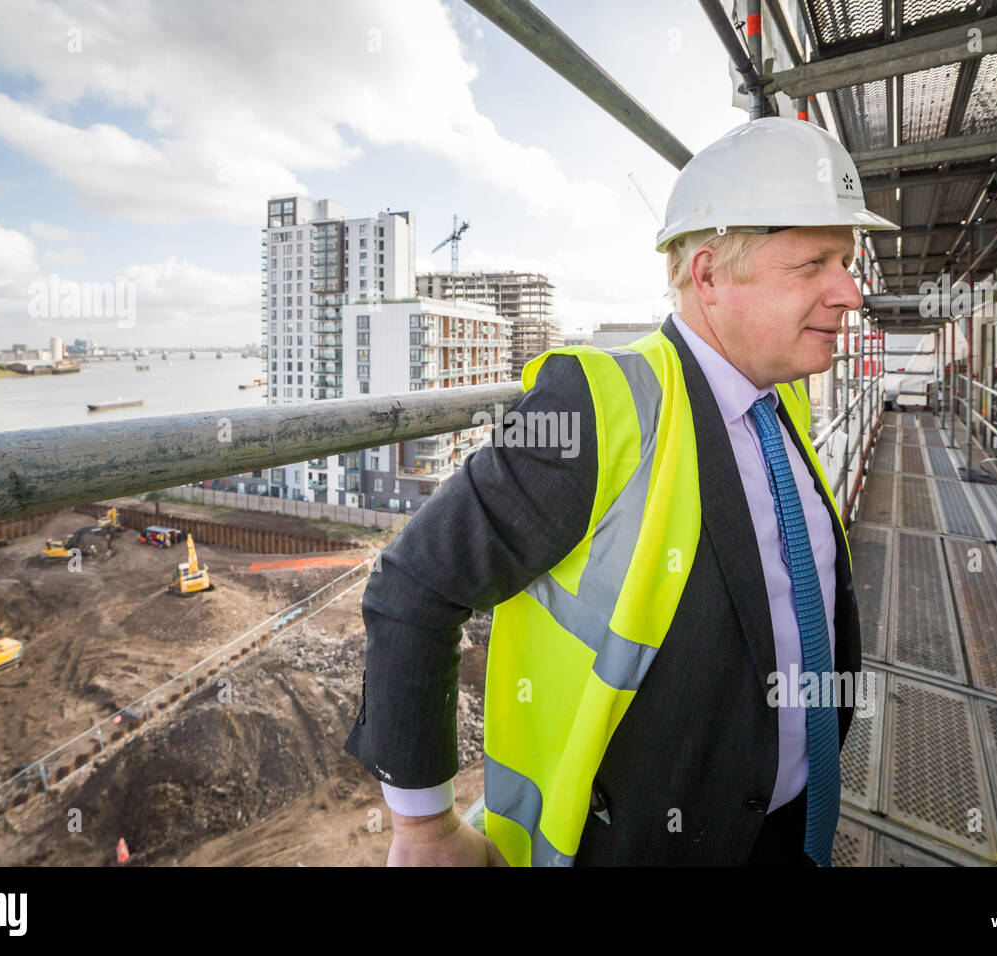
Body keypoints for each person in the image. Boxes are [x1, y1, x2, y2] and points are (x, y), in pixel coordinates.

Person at [344, 116, 900, 866]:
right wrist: (423, 827)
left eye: (846, 261)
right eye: (814, 265)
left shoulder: (783, 398)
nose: (850, 293)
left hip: (787, 826)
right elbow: (413, 583)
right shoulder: (598, 407)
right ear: (707, 274)